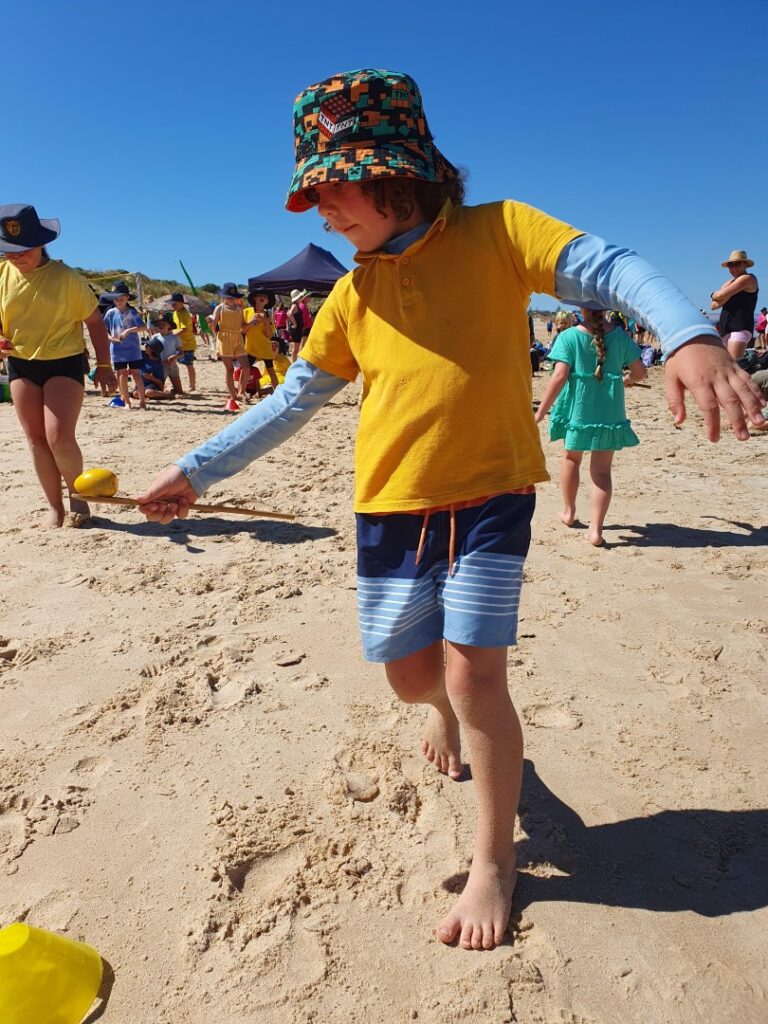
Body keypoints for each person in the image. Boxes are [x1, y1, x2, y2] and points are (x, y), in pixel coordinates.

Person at [135, 69, 764, 952]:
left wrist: (692, 334)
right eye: (313, 192)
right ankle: (440, 713)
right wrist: (195, 471)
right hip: (390, 508)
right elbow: (291, 402)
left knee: (476, 679)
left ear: (398, 173)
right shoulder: (350, 295)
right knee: (411, 679)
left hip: (492, 495)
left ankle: (493, 860)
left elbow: (613, 267)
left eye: (334, 186)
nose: (321, 209)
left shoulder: (499, 232)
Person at [0, 203, 116, 527]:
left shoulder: (66, 277)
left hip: (64, 362)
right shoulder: (2, 274)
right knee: (36, 440)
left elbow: (94, 322)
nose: (16, 257)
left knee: (58, 436)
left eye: (23, 249)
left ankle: (78, 498)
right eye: (9, 250)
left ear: (40, 243)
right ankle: (55, 507)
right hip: (21, 363)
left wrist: (104, 365)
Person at [534, 307, 647, 546]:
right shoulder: (620, 336)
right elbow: (640, 372)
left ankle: (569, 512)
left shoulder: (569, 336)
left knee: (571, 459)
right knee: (602, 472)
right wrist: (626, 380)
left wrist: (541, 411)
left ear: (581, 307)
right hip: (610, 411)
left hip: (579, 409)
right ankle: (595, 530)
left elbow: (559, 376)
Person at [103, 281, 147, 410]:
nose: (118, 301)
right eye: (116, 299)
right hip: (117, 349)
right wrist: (110, 338)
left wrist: (129, 331)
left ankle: (142, 402)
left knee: (136, 374)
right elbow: (103, 329)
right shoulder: (110, 313)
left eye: (121, 298)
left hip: (133, 349)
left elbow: (143, 327)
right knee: (122, 374)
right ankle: (127, 402)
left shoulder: (132, 312)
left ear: (127, 298)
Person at [710, 249, 759, 360]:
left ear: (745, 264)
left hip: (741, 326)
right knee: (725, 364)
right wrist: (729, 294)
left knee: (734, 363)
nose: (733, 267)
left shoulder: (748, 278)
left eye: (737, 264)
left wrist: (714, 294)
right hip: (725, 327)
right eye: (731, 265)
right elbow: (713, 306)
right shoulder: (729, 282)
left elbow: (719, 296)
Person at [210, 283, 249, 410]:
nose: (231, 299)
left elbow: (243, 327)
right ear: (224, 297)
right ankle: (233, 396)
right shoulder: (219, 308)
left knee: (246, 367)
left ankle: (241, 392)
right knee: (229, 369)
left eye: (233, 297)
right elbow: (214, 327)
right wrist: (211, 323)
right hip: (224, 338)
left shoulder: (239, 308)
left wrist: (252, 323)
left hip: (237, 337)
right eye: (228, 297)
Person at [242, 289, 279, 393]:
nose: (263, 297)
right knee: (245, 370)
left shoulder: (268, 315)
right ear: (255, 298)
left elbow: (270, 335)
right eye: (260, 295)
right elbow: (242, 330)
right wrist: (251, 322)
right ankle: (241, 392)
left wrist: (266, 322)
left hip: (264, 347)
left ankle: (277, 392)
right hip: (251, 347)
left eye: (265, 297)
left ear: (267, 302)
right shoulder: (246, 312)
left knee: (270, 370)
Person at [149, 312, 183, 394]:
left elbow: (181, 352)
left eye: (163, 323)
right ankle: (166, 390)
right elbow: (149, 353)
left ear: (169, 325)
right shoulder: (154, 337)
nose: (160, 325)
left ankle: (170, 389)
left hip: (172, 365)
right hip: (160, 367)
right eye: (159, 324)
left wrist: (174, 357)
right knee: (158, 389)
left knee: (179, 391)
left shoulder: (174, 337)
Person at [170, 292, 197, 391]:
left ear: (182, 303)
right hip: (177, 344)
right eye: (172, 303)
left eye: (175, 303)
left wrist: (172, 335)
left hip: (187, 344)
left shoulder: (185, 314)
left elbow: (184, 329)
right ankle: (176, 385)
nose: (173, 305)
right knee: (173, 364)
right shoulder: (175, 313)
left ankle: (192, 386)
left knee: (189, 365)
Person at [286, 288, 306, 362]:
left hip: (297, 329)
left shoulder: (294, 305)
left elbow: (288, 314)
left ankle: (294, 362)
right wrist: (295, 323)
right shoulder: (294, 305)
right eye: (300, 297)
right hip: (296, 329)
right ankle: (293, 363)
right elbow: (290, 314)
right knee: (295, 348)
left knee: (296, 347)